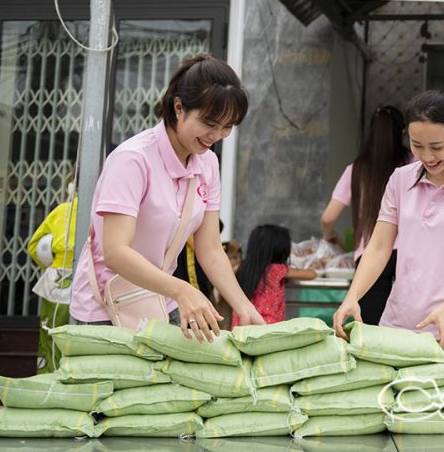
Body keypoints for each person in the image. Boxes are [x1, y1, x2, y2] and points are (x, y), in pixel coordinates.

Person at [69, 54, 265, 340]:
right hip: (105, 310)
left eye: (227, 127)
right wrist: (182, 289)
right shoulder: (132, 160)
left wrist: (244, 307)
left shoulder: (207, 164)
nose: (216, 135)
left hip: (161, 302)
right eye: (209, 123)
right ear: (178, 107)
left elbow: (209, 248)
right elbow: (115, 252)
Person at [333, 90, 444, 348]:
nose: (426, 156)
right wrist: (353, 296)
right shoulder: (400, 179)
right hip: (397, 326)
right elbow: (380, 246)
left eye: (437, 147)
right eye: (417, 145)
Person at [320, 105, 408, 325]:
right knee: (408, 329)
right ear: (402, 132)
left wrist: (329, 236)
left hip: (370, 257)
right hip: (408, 254)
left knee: (369, 329)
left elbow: (328, 217)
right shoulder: (413, 165)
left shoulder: (356, 169)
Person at [27, 183, 78, 373]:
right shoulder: (99, 208)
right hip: (86, 278)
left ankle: (47, 376)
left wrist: (50, 265)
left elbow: (34, 246)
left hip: (55, 280)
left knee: (49, 333)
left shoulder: (62, 210)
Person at [233, 225, 318, 325]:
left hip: (242, 324)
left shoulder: (241, 267)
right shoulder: (277, 269)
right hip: (268, 326)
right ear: (279, 250)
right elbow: (312, 274)